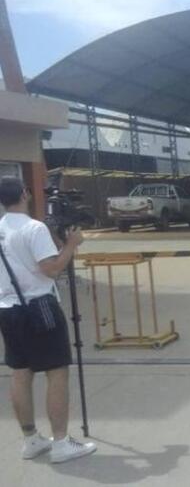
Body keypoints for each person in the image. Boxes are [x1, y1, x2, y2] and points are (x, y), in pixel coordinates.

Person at [0, 178, 96, 463]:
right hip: (39, 307)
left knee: (20, 373)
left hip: (8, 308)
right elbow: (52, 268)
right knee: (56, 373)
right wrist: (72, 244)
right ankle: (61, 443)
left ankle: (31, 440)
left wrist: (56, 240)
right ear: (25, 194)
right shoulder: (33, 228)